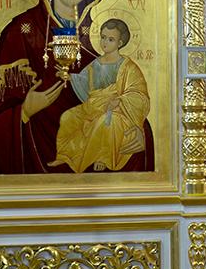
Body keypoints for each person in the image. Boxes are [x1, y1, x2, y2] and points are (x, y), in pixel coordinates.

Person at [0, 0, 155, 174]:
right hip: (33, 165)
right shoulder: (20, 33)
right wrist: (24, 111)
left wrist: (139, 133)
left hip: (99, 150)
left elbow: (126, 102)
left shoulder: (99, 39)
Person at [49, 18, 150, 173]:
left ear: (120, 43)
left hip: (117, 110)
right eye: (103, 37)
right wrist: (69, 77)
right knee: (67, 117)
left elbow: (139, 94)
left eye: (110, 39)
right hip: (93, 106)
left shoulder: (128, 67)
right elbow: (85, 80)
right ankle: (66, 156)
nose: (105, 42)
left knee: (106, 122)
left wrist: (120, 100)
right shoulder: (96, 63)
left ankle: (102, 157)